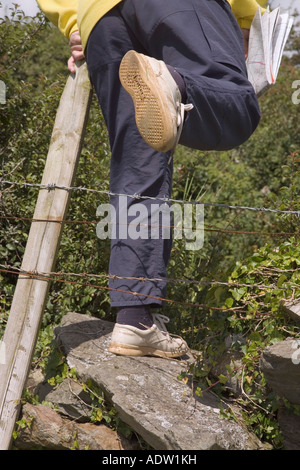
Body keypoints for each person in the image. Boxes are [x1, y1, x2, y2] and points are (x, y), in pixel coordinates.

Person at [36, 0, 264, 359]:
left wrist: (72, 20)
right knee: (237, 106)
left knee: (138, 162)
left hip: (101, 20)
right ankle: (175, 84)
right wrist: (248, 18)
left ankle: (135, 320)